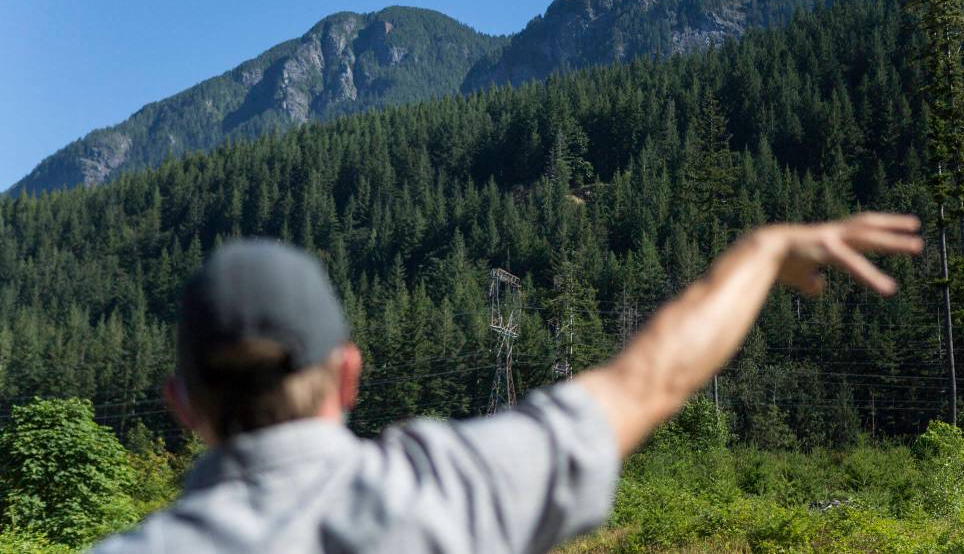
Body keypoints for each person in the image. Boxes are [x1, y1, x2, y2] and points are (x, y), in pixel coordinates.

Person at [92, 212, 922, 553]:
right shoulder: (447, 494)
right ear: (348, 376)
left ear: (181, 406)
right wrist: (764, 251)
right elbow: (653, 376)